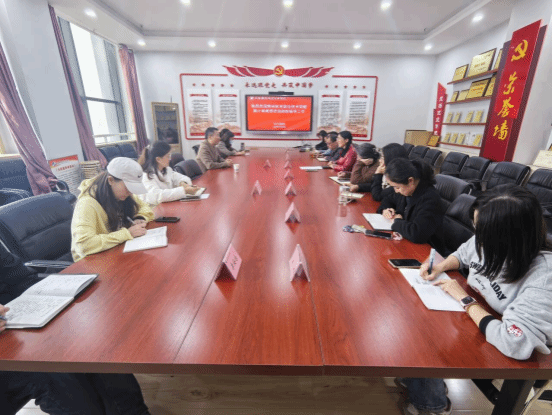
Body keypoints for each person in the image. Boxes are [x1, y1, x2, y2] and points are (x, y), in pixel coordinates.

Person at [398, 185, 552, 415]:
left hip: (506, 345)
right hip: (477, 318)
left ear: (512, 237)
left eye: (483, 232)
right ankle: (421, 382)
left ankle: (433, 405)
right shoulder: (486, 240)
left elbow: (514, 342)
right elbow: (462, 255)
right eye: (477, 227)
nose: (478, 238)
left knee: (426, 340)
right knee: (413, 317)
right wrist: (440, 266)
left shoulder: (544, 275)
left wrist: (465, 299)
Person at [0, 245, 151, 415]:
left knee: (90, 339)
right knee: (56, 378)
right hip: (8, 351)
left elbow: (22, 279)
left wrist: (51, 295)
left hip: (21, 321)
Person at [71, 157, 155, 262]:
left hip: (114, 251)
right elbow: (84, 245)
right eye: (128, 187)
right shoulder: (87, 203)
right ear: (110, 180)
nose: (130, 192)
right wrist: (127, 234)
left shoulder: (122, 194)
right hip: (92, 262)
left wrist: (140, 217)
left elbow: (145, 206)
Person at [378, 158, 444, 244]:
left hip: (427, 247)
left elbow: (418, 234)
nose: (396, 191)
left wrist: (397, 221)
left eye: (397, 187)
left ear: (410, 181)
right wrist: (386, 209)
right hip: (405, 240)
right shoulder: (407, 190)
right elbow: (387, 199)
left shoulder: (430, 199)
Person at [139, 141, 198, 205]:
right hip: (154, 208)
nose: (170, 159)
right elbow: (157, 196)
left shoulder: (167, 169)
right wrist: (184, 190)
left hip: (166, 205)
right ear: (158, 159)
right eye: (168, 156)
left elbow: (181, 177)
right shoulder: (146, 176)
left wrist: (182, 183)